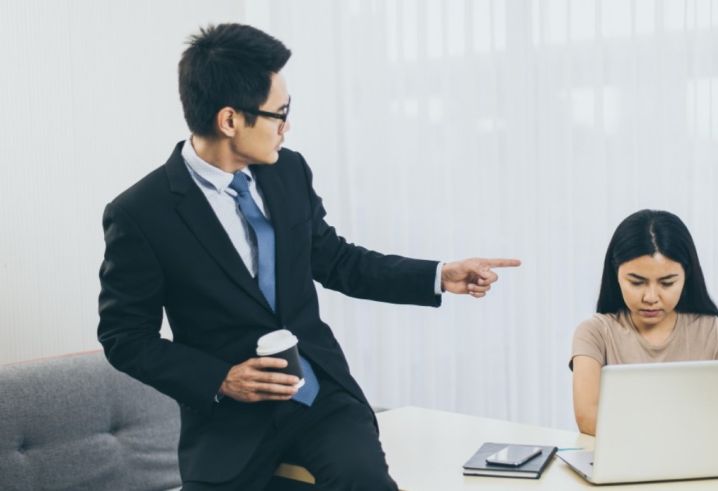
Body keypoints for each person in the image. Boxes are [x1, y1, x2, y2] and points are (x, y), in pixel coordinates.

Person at [97, 23, 520, 491]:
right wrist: (222, 378)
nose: (287, 126)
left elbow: (337, 261)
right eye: (280, 113)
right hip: (228, 425)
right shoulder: (140, 213)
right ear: (230, 120)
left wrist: (438, 275)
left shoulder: (289, 171)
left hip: (321, 398)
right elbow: (124, 337)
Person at [570, 209, 718, 436]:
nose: (650, 297)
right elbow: (587, 419)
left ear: (686, 276)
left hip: (699, 463)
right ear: (616, 274)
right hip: (623, 463)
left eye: (667, 283)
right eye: (637, 282)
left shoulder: (716, 333)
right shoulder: (594, 332)